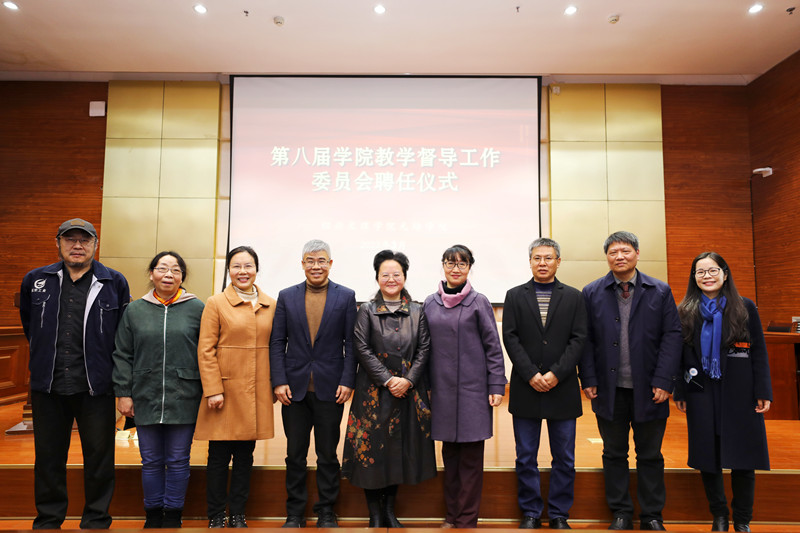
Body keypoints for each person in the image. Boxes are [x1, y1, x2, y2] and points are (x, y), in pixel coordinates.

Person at [19, 218, 130, 529]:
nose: (77, 246)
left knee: (99, 458)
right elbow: (30, 326)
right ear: (58, 243)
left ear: (96, 244)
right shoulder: (36, 280)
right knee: (48, 457)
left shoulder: (114, 282)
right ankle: (49, 518)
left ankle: (96, 518)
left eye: (85, 240)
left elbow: (122, 336)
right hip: (48, 385)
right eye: (70, 239)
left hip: (96, 386)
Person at [578, 231, 682, 531]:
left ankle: (652, 515)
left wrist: (664, 380)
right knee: (613, 453)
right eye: (613, 252)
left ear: (637, 253)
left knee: (650, 454)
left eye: (625, 251)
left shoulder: (659, 290)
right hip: (608, 390)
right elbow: (585, 339)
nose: (619, 256)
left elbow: (672, 336)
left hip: (650, 389)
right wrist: (589, 378)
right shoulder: (592, 292)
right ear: (606, 257)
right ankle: (621, 512)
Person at [674, 252, 771, 533]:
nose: (707, 276)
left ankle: (742, 519)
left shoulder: (745, 307)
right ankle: (719, 515)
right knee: (708, 457)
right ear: (694, 277)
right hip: (701, 392)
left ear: (725, 274)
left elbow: (759, 352)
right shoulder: (685, 310)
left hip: (740, 393)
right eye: (700, 272)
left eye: (713, 270)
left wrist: (763, 390)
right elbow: (679, 356)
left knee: (744, 457)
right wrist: (681, 391)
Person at [342, 250, 436, 528]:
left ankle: (390, 511)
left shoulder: (418, 311)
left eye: (397, 274)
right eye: (385, 274)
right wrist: (388, 380)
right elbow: (361, 348)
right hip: (373, 394)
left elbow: (425, 348)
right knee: (371, 452)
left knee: (397, 452)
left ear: (404, 277)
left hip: (408, 393)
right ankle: (374, 513)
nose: (391, 279)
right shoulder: (366, 311)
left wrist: (408, 380)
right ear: (377, 278)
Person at [112, 251, 205, 528]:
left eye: (176, 270)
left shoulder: (197, 308)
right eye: (162, 268)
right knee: (151, 460)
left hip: (184, 395)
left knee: (178, 459)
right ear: (152, 273)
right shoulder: (134, 310)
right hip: (145, 394)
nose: (169, 274)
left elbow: (207, 353)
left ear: (182, 277)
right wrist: (123, 392)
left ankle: (173, 514)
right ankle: (153, 514)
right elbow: (122, 354)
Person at [269, 239, 358, 528]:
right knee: (294, 454)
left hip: (330, 389)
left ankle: (326, 511)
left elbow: (351, 344)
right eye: (310, 260)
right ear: (302, 263)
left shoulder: (346, 296)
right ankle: (295, 513)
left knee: (327, 454)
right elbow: (277, 342)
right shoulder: (286, 296)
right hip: (293, 390)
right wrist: (279, 381)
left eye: (321, 261)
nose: (316, 266)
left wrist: (347, 380)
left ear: (330, 264)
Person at [502, 238, 587, 530]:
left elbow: (579, 339)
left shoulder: (574, 297)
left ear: (558, 262)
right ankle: (530, 512)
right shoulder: (514, 295)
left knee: (564, 457)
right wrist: (530, 374)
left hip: (562, 388)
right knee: (526, 456)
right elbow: (510, 337)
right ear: (530, 261)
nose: (542, 263)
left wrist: (556, 373)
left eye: (548, 258)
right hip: (526, 387)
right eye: (537, 258)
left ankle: (559, 513)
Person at [423, 244, 506, 528]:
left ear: (470, 267)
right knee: (449, 456)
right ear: (443, 266)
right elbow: (423, 349)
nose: (455, 268)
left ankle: (467, 518)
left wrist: (496, 385)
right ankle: (452, 515)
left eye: (462, 263)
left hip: (473, 392)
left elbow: (493, 347)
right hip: (442, 391)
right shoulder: (430, 303)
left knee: (471, 458)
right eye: (450, 263)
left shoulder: (479, 302)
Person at [194, 246, 277, 528]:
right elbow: (205, 350)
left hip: (255, 392)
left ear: (256, 269)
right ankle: (216, 513)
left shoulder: (271, 304)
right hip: (224, 392)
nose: (243, 271)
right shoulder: (215, 303)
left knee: (245, 457)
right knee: (218, 457)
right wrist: (213, 389)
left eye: (248, 266)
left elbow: (277, 348)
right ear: (229, 270)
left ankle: (238, 513)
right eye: (236, 266)